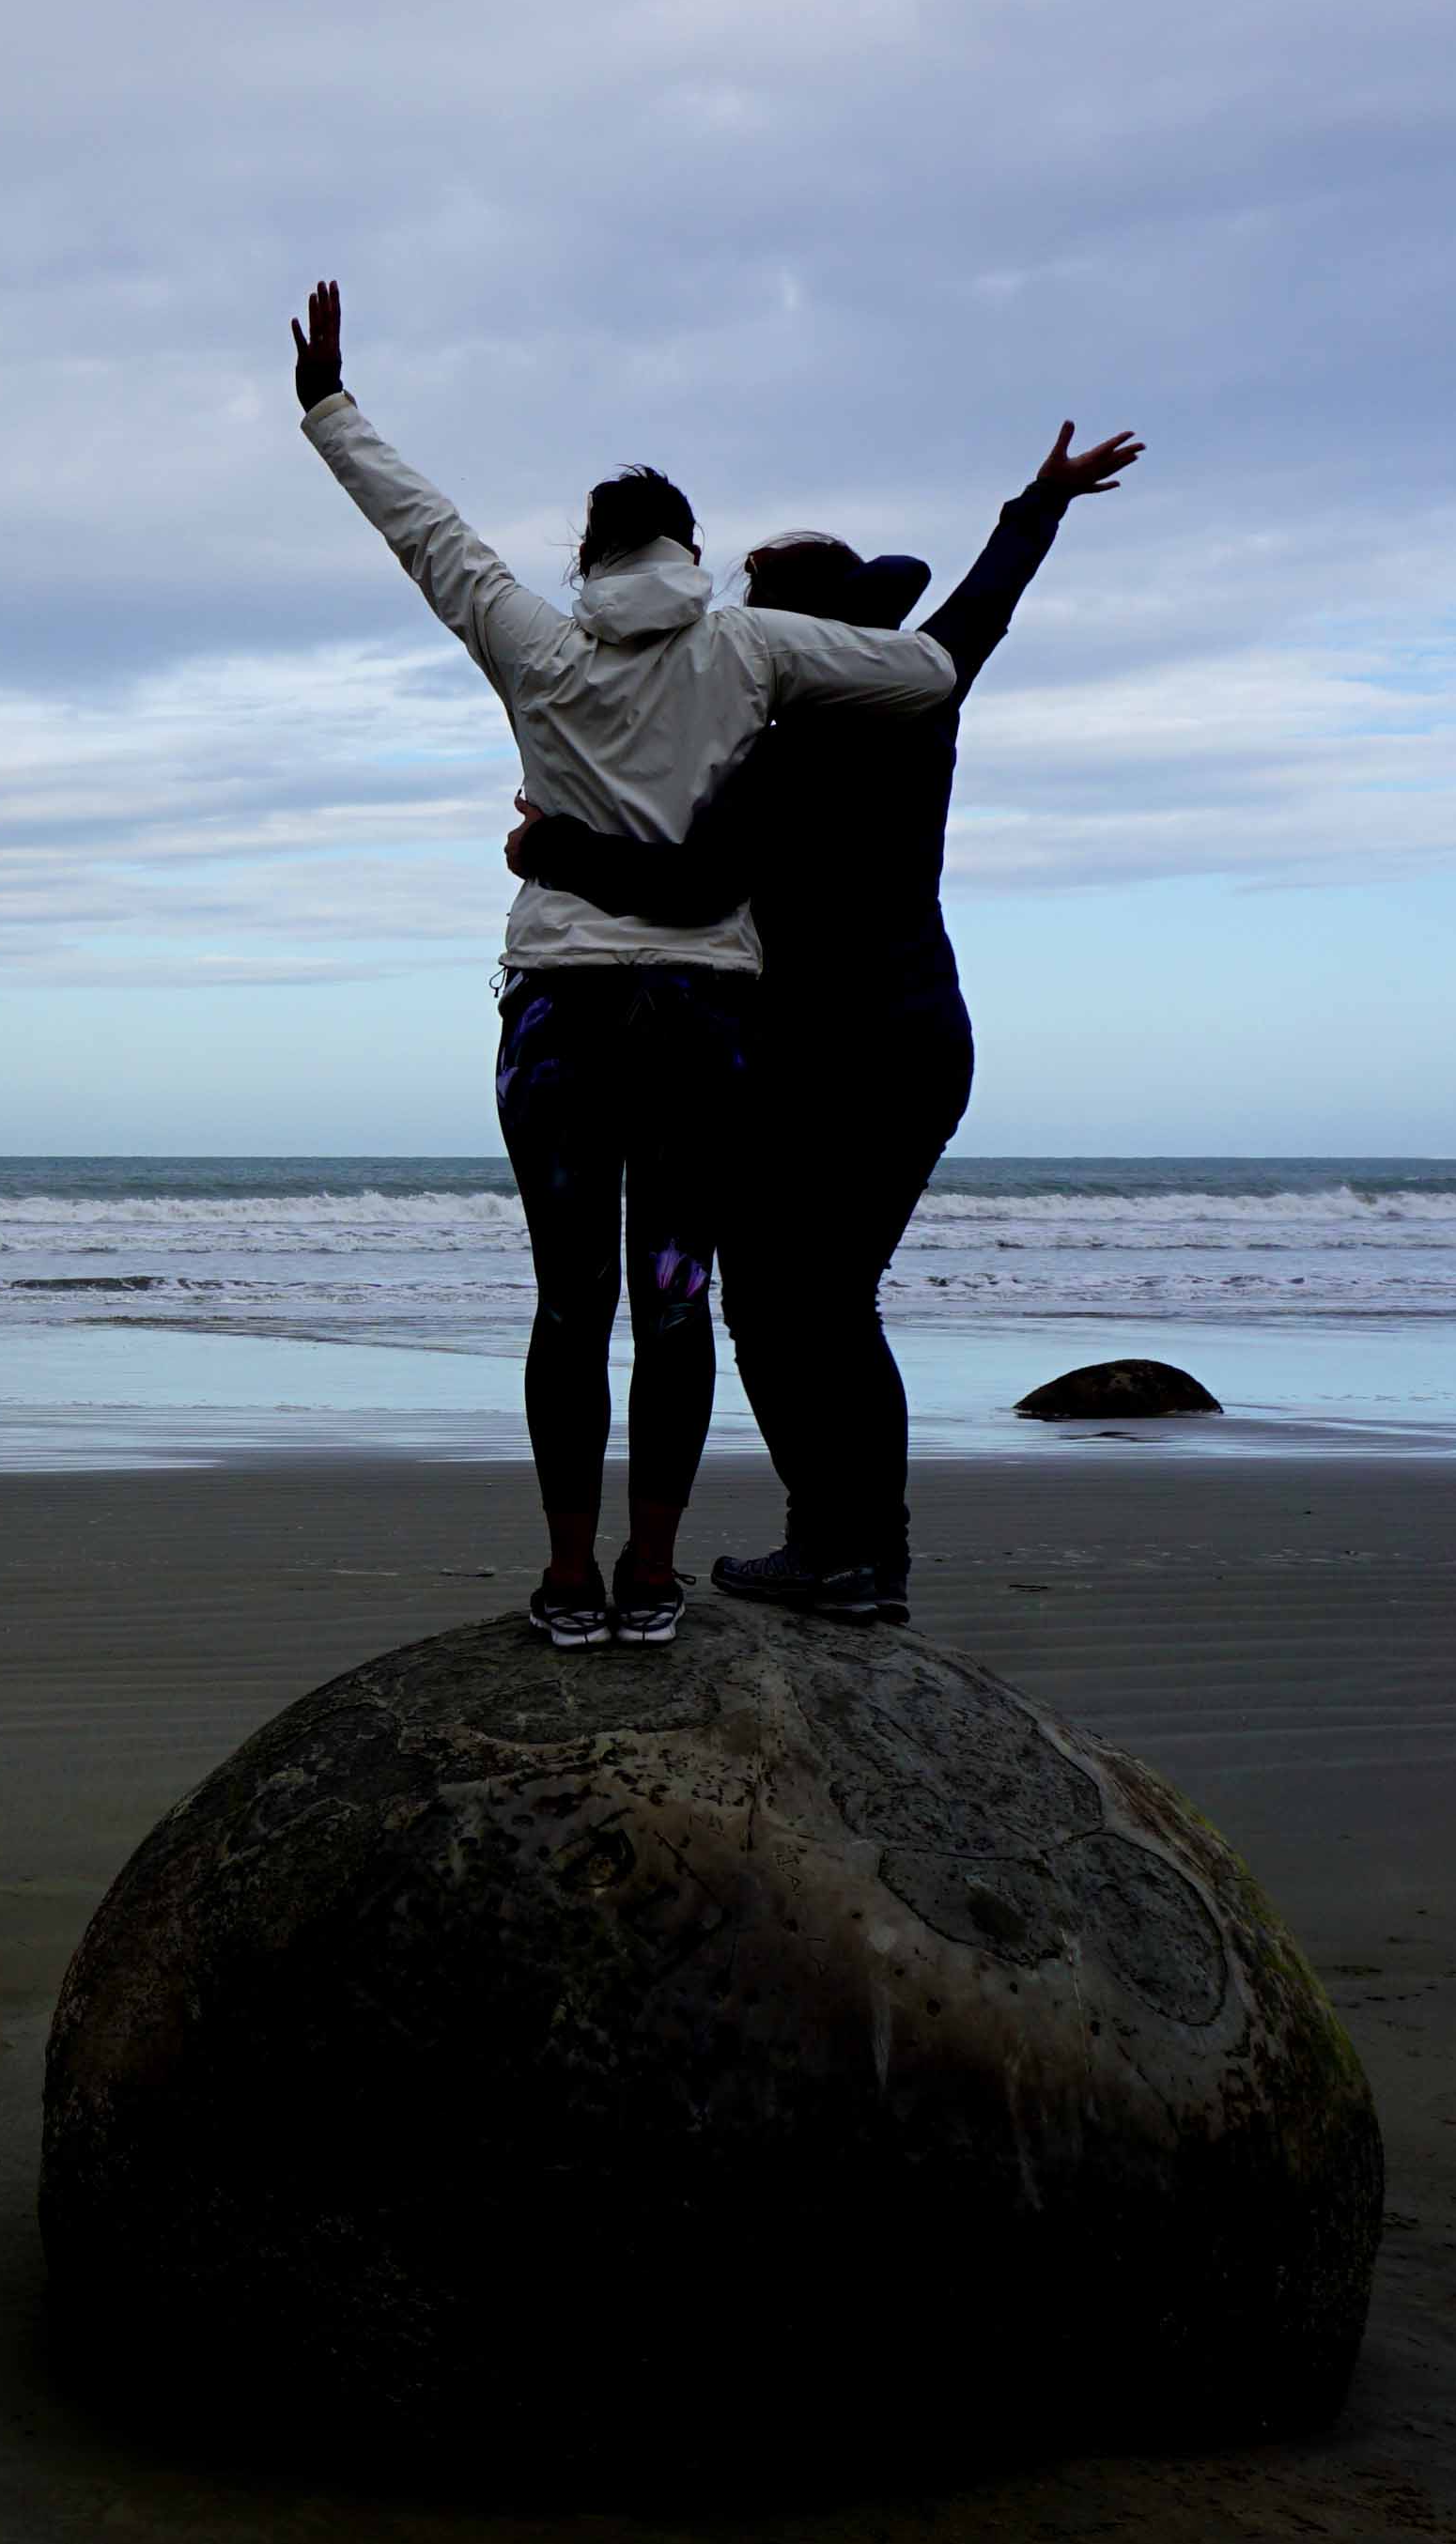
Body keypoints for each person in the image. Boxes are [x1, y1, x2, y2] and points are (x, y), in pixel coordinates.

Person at [288, 278, 966, 1646]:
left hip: (558, 1012)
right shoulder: (750, 648)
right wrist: (816, 670)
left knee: (567, 1305)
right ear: (692, 551)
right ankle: (652, 1577)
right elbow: (929, 677)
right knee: (675, 1297)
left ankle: (566, 1581)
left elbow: (423, 529)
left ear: (589, 555)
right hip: (701, 1020)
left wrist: (329, 406)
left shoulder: (532, 643)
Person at [503, 425, 1139, 1624]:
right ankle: (853, 1550)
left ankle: (845, 1551)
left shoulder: (785, 754)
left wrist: (550, 848)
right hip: (921, 1043)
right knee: (832, 1301)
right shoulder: (919, 706)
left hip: (825, 1056)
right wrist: (1039, 504)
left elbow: (692, 887)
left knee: (791, 1306)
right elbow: (981, 615)